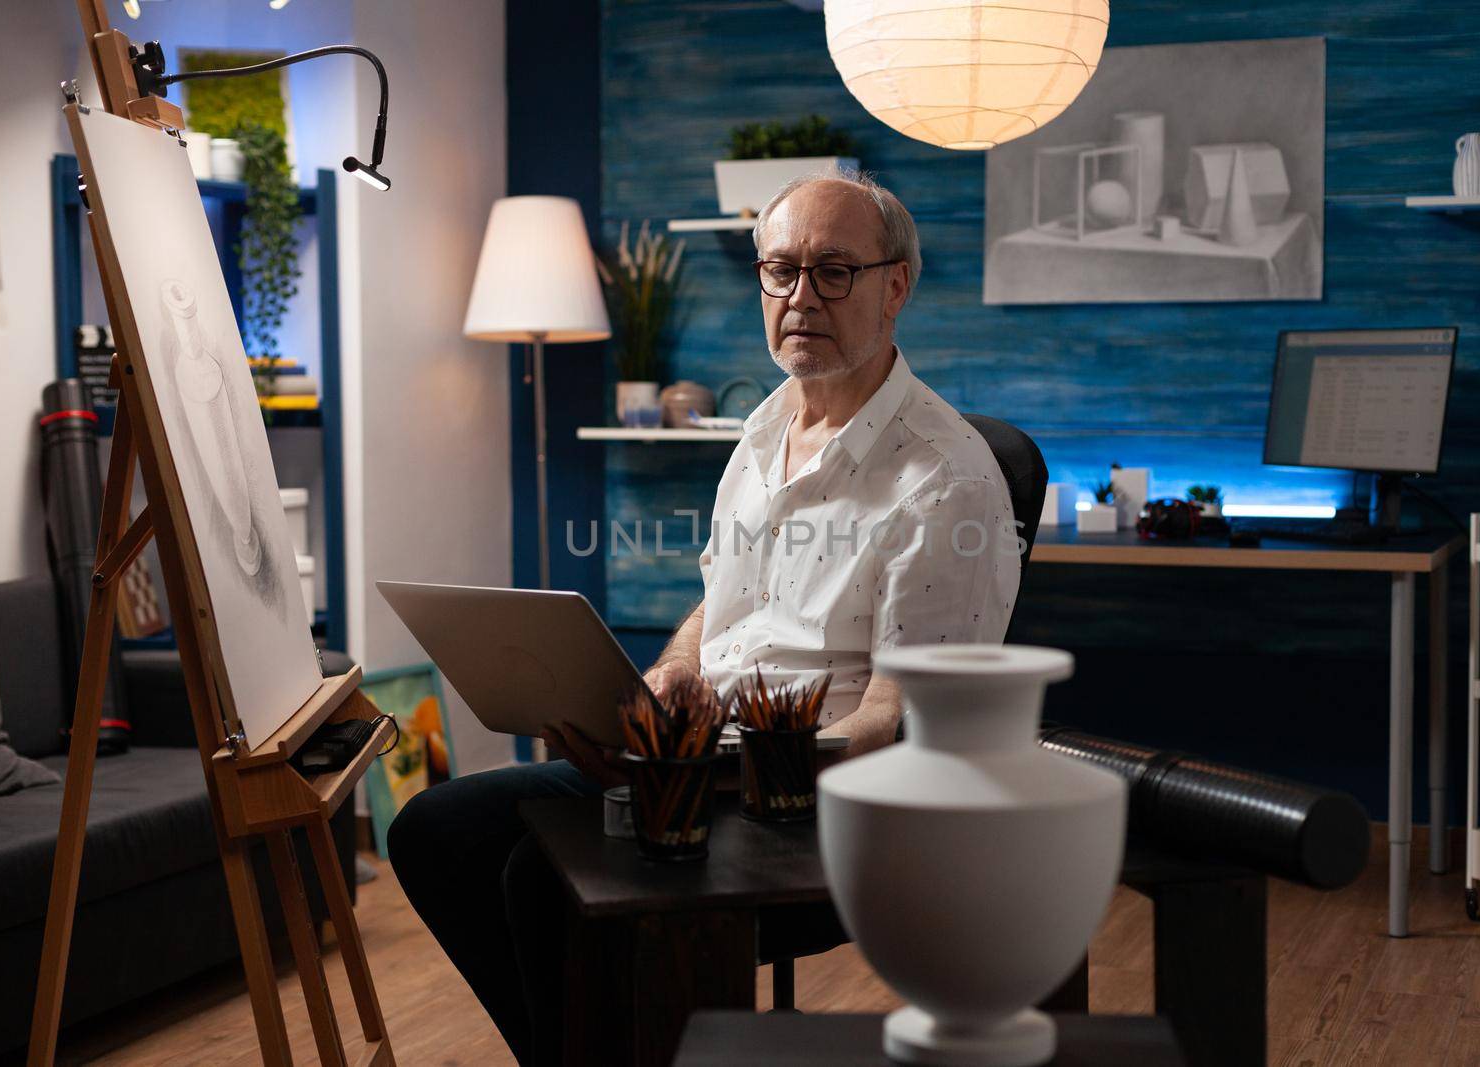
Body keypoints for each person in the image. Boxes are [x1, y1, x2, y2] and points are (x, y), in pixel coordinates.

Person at [387, 171, 1022, 1062]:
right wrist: (669, 680)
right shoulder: (761, 430)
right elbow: (721, 607)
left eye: (834, 271)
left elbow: (897, 726)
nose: (801, 296)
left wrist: (690, 771)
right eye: (781, 270)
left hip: (820, 807)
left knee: (546, 872)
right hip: (694, 760)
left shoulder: (945, 478)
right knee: (435, 830)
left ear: (896, 286)